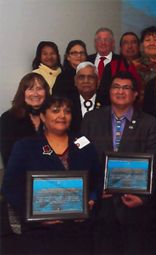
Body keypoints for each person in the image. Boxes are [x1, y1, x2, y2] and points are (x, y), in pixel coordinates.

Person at [2, 96, 100, 254]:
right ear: (42, 116)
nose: (62, 115)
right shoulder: (25, 146)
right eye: (55, 111)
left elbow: (97, 178)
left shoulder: (83, 143)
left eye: (67, 111)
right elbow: (11, 186)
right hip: (40, 234)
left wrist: (92, 199)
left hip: (79, 232)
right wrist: (35, 212)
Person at [81, 71, 156, 255]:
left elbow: (154, 160)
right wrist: (92, 190)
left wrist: (143, 197)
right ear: (109, 91)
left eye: (126, 88)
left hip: (133, 204)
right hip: (101, 204)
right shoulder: (91, 119)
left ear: (135, 94)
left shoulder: (150, 123)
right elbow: (82, 158)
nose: (120, 91)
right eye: (116, 87)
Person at [1, 73, 50, 166]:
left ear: (46, 92)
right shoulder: (8, 118)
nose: (35, 94)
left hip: (53, 172)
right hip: (21, 172)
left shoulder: (55, 116)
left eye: (39, 89)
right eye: (30, 89)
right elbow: (8, 155)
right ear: (22, 93)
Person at [99, 32, 142, 106]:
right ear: (120, 48)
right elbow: (104, 94)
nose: (130, 46)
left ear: (139, 47)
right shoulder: (111, 66)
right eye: (125, 43)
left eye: (133, 43)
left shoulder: (147, 66)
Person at [70, 62, 102, 132]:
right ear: (75, 81)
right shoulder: (68, 103)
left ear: (98, 81)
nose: (86, 81)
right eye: (81, 77)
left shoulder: (107, 102)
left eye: (91, 77)